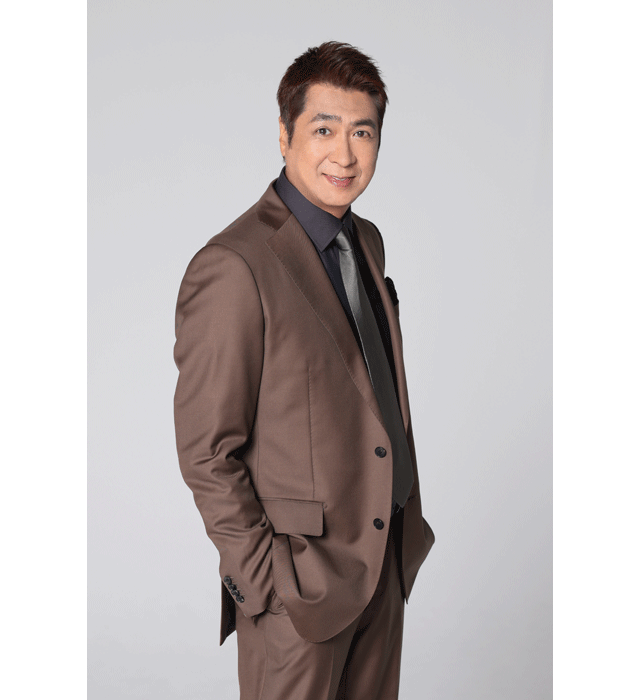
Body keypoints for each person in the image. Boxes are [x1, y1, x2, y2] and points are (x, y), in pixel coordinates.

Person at [173, 41, 435, 700]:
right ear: (285, 134)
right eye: (324, 130)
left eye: (362, 133)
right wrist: (265, 585)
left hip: (383, 566)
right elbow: (207, 451)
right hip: (299, 592)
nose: (344, 154)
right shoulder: (234, 266)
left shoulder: (365, 241)